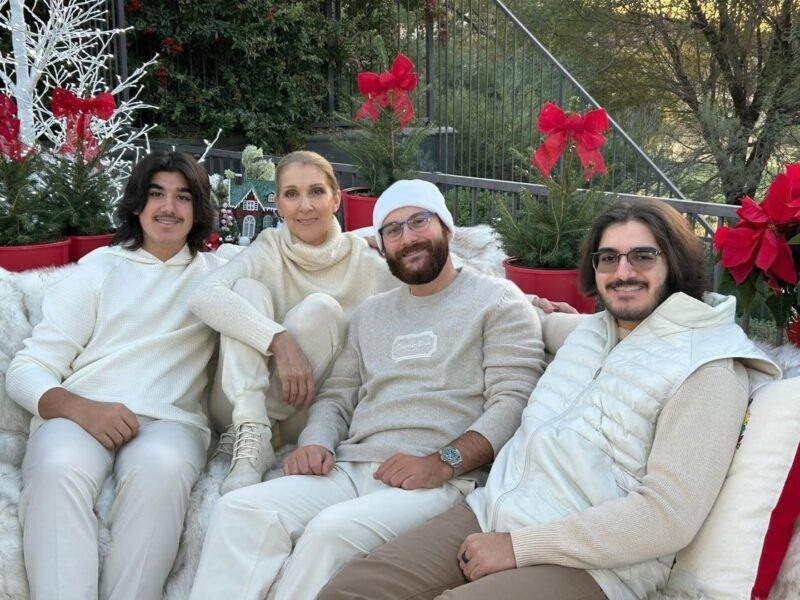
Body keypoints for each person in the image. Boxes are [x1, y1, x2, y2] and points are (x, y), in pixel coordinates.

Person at [320, 197, 782, 600]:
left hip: (594, 565)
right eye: (608, 258)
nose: (623, 272)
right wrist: (536, 307)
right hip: (491, 512)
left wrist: (521, 547)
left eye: (643, 256)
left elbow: (668, 516)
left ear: (675, 262)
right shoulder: (592, 334)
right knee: (350, 589)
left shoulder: (709, 366)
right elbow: (551, 332)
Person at [188, 179, 547, 600]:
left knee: (329, 532)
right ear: (383, 246)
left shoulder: (497, 302)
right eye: (393, 230)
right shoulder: (371, 314)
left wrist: (444, 461)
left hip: (438, 480)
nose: (407, 238)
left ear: (447, 228)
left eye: (419, 221)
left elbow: (513, 402)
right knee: (240, 510)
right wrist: (316, 442)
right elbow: (337, 396)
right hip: (352, 467)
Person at [6, 150, 225, 600]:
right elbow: (27, 369)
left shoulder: (220, 276)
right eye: (156, 194)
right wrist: (83, 409)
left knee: (162, 470)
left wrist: (368, 242)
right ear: (137, 204)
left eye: (183, 197)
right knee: (56, 468)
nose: (168, 207)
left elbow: (290, 255)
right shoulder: (98, 269)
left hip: (171, 422)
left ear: (198, 208)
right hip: (81, 412)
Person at [188, 150, 399, 494]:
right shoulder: (268, 247)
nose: (305, 206)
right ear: (279, 205)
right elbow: (203, 296)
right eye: (292, 194)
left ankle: (259, 434)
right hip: (236, 410)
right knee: (246, 289)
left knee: (321, 309)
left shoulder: (365, 260)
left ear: (336, 200)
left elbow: (427, 291)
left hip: (303, 413)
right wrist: (278, 340)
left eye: (316, 192)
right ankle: (253, 433)